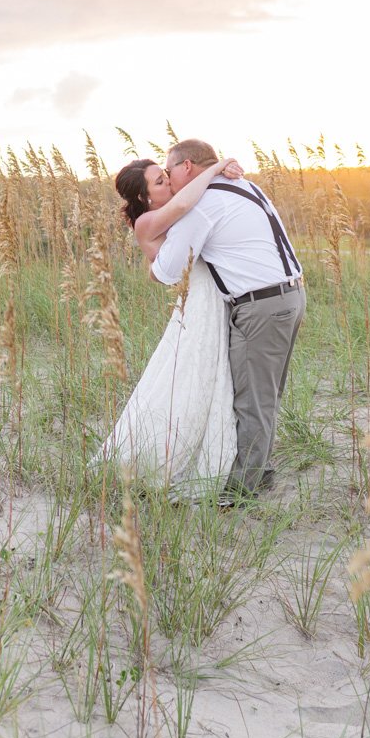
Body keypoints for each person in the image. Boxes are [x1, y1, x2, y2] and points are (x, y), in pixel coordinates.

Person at [151, 139, 305, 504]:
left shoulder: (203, 204)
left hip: (261, 305)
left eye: (168, 171)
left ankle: (242, 490)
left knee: (252, 399)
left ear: (186, 167)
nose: (168, 179)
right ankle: (259, 468)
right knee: (265, 393)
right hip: (289, 296)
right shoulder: (244, 185)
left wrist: (153, 259)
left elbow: (170, 271)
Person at [95, 153, 244, 499]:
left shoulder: (166, 210)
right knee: (191, 374)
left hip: (208, 294)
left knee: (206, 374)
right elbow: (187, 202)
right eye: (159, 182)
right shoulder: (147, 222)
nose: (168, 182)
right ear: (145, 199)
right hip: (199, 300)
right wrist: (217, 167)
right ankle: (164, 457)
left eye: (165, 175)